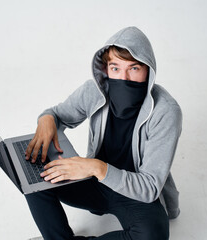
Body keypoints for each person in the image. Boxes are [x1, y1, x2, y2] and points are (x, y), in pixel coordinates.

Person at [24, 26, 182, 240]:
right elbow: (57, 114)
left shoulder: (166, 111)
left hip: (134, 191)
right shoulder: (94, 91)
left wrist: (98, 168)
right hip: (92, 182)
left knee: (153, 235)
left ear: (149, 70)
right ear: (105, 68)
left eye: (134, 68)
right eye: (115, 68)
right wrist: (46, 119)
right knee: (32, 177)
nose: (123, 77)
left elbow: (150, 187)